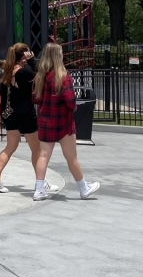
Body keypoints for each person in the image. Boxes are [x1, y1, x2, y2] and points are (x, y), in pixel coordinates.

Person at [32, 42, 100, 201]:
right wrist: (73, 107)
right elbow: (70, 99)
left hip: (45, 120)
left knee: (43, 155)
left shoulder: (39, 76)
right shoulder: (63, 75)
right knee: (71, 157)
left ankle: (39, 190)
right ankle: (84, 188)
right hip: (63, 120)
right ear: (58, 56)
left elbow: (35, 98)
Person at [0, 42, 40, 192]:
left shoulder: (5, 74)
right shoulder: (23, 73)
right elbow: (39, 78)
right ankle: (40, 181)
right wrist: (31, 62)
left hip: (9, 114)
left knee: (10, 147)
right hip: (25, 114)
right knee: (37, 150)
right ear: (24, 56)